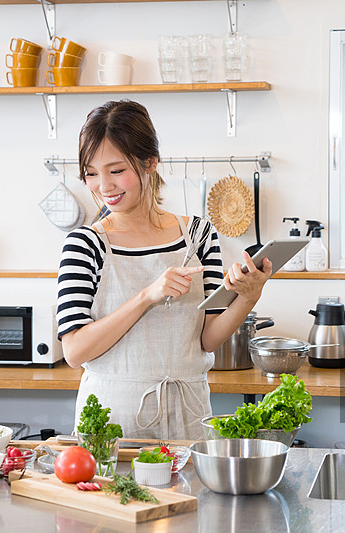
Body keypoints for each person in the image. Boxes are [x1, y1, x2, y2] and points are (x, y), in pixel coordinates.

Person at [56, 100, 272, 440]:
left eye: (116, 170)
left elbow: (208, 338)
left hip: (188, 415)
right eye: (91, 173)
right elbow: (74, 351)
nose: (103, 186)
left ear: (150, 162)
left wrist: (248, 296)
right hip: (113, 421)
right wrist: (147, 296)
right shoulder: (85, 243)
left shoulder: (198, 236)